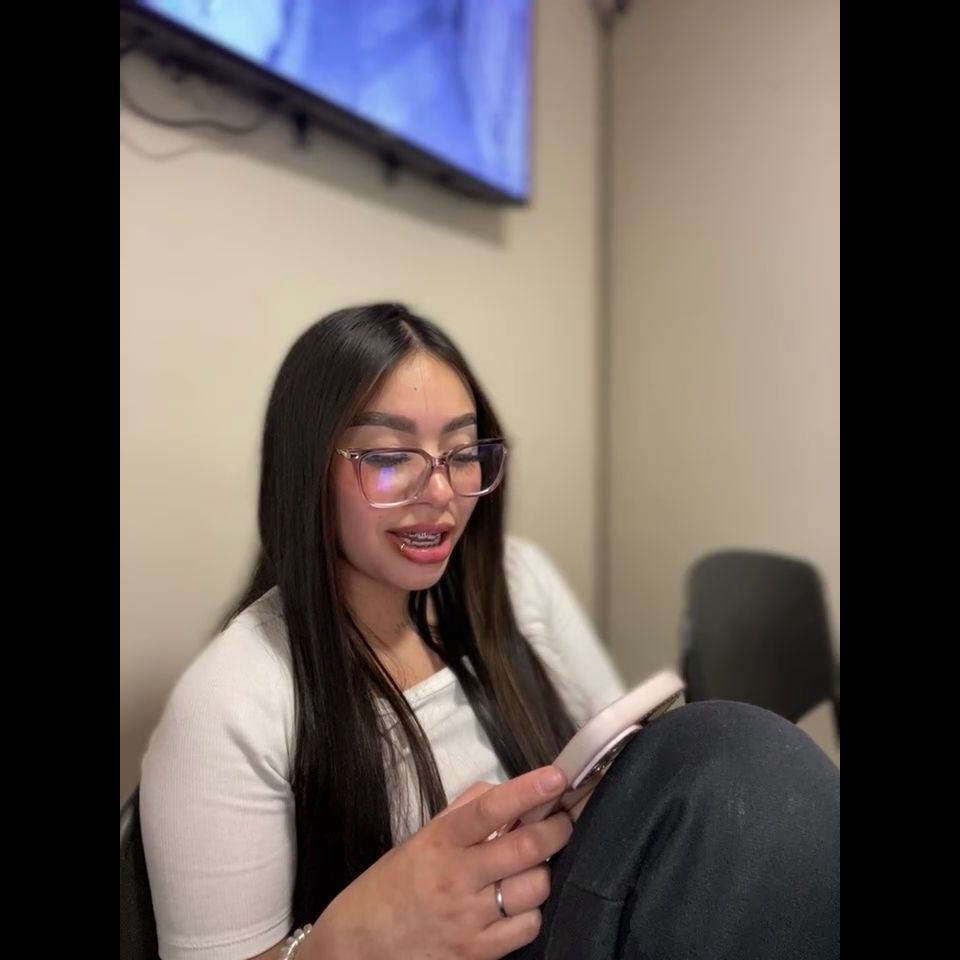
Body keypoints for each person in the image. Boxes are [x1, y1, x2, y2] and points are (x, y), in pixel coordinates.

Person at [139, 303, 840, 960]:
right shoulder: (234, 702)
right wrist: (348, 939)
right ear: (306, 468)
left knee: (739, 777)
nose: (441, 493)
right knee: (739, 757)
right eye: (388, 457)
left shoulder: (511, 583)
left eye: (462, 452)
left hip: (571, 910)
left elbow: (628, 762)